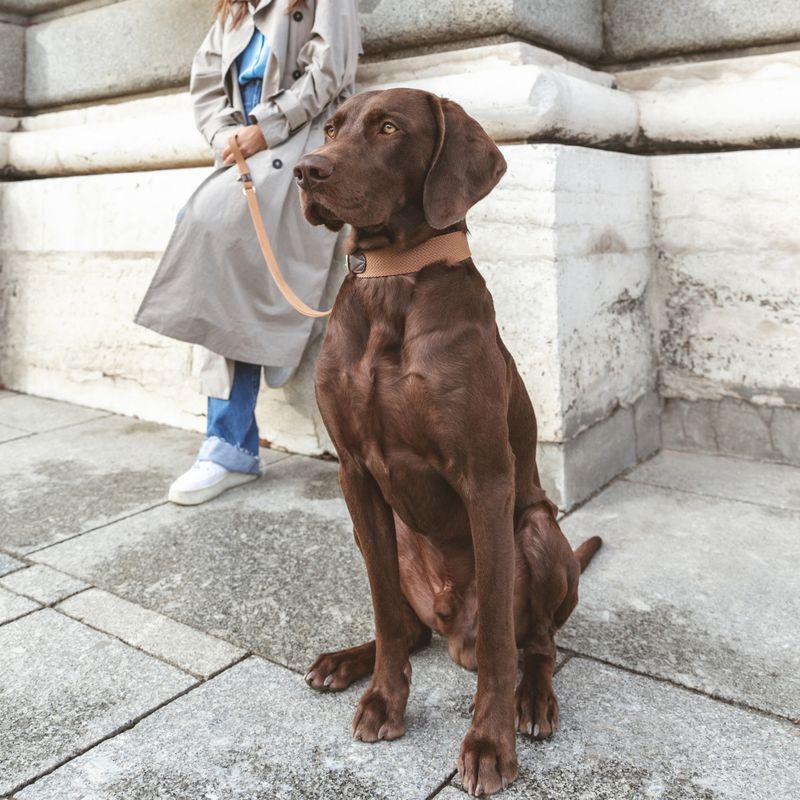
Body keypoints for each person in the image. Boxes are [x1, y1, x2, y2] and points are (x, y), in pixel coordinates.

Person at [134, 0, 362, 505]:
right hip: (246, 149)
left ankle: (230, 442)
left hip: (301, 139)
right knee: (210, 235)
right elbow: (206, 84)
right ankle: (230, 442)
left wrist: (265, 126)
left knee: (215, 230)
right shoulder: (235, 8)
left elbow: (331, 69)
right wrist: (225, 136)